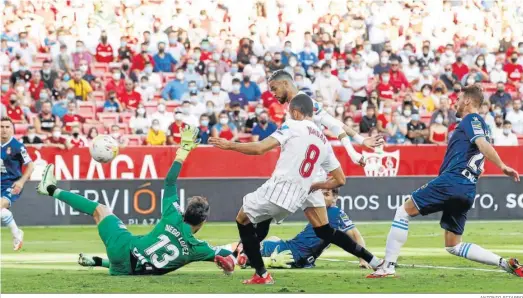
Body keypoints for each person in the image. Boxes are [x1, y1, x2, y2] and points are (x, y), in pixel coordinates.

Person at [210, 95, 383, 284]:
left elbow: (260, 148)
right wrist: (315, 186)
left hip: (279, 189)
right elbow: (340, 179)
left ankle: (260, 273)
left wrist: (230, 145)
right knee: (324, 230)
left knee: (242, 219)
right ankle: (374, 261)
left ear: (295, 112)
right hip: (299, 196)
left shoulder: (292, 125)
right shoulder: (324, 141)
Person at [368, 85, 523, 279]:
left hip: (452, 181)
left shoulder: (472, 119)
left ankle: (388, 266)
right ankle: (503, 263)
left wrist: (502, 166)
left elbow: (483, 145)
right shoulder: (481, 125)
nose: (455, 103)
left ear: (467, 100)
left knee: (403, 211)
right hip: (468, 188)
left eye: (458, 99)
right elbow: (477, 152)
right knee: (453, 245)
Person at [37, 127, 235, 275]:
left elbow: (169, 181)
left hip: (123, 249)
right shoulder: (199, 249)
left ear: (185, 212)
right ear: (202, 223)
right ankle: (98, 261)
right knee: (142, 258)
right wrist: (234, 257)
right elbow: (228, 252)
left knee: (100, 210)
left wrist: (183, 151)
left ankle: (51, 189)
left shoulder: (174, 214)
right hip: (127, 270)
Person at [236, 187, 370, 269]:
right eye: (321, 194)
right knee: (273, 238)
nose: (321, 199)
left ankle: (229, 254)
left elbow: (355, 235)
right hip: (304, 258)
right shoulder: (320, 213)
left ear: (335, 198)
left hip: (291, 253)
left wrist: (363, 258)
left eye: (326, 195)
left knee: (241, 249)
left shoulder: (335, 213)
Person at [1, 117, 34, 251]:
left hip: (12, 185)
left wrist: (21, 182)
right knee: (3, 213)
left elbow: (31, 166)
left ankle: (16, 233)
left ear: (12, 129)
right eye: (1, 127)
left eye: (7, 127)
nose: (4, 130)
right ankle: (16, 233)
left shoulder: (18, 146)